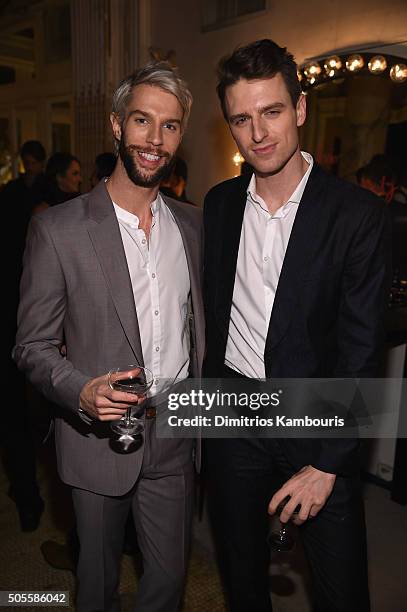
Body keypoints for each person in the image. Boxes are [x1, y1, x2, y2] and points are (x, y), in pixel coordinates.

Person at [203, 39, 390, 612]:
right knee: (241, 580)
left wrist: (331, 459)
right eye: (241, 118)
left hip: (318, 421)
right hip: (234, 420)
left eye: (272, 111)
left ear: (301, 108)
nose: (258, 132)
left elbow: (362, 351)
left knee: (342, 592)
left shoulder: (356, 214)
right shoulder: (219, 204)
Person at [14, 61, 204, 612]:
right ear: (118, 126)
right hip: (96, 441)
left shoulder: (193, 225)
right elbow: (32, 346)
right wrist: (79, 390)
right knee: (96, 586)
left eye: (170, 126)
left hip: (175, 429)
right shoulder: (58, 229)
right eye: (143, 121)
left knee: (169, 584)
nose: (155, 139)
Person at [1, 140, 47, 531]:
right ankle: (28, 495)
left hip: (26, 313)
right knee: (17, 416)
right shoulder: (14, 196)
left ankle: (29, 495)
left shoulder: (30, 195)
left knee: (22, 416)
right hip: (15, 312)